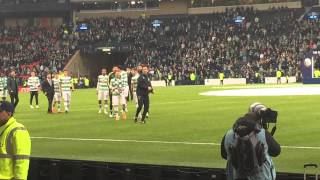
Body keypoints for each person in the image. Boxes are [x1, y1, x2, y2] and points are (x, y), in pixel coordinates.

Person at [221, 108, 281, 179]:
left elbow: (224, 155)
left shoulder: (228, 134)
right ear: (258, 120)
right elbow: (276, 151)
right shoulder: (262, 133)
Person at [0, 101, 31, 180]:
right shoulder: (5, 129)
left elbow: (22, 160)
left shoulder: (18, 130)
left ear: (9, 113)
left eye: (0, 112)